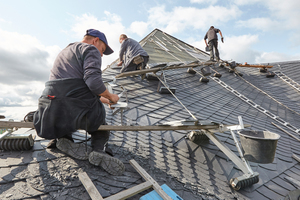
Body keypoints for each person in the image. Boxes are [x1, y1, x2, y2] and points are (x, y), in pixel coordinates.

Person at [33, 29, 125, 176]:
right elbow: (94, 83)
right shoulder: (90, 49)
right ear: (95, 40)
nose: (101, 54)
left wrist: (104, 98)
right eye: (102, 49)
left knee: (69, 114)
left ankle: (63, 138)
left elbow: (76, 90)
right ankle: (99, 150)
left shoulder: (64, 52)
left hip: (53, 110)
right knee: (102, 125)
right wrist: (111, 96)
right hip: (76, 108)